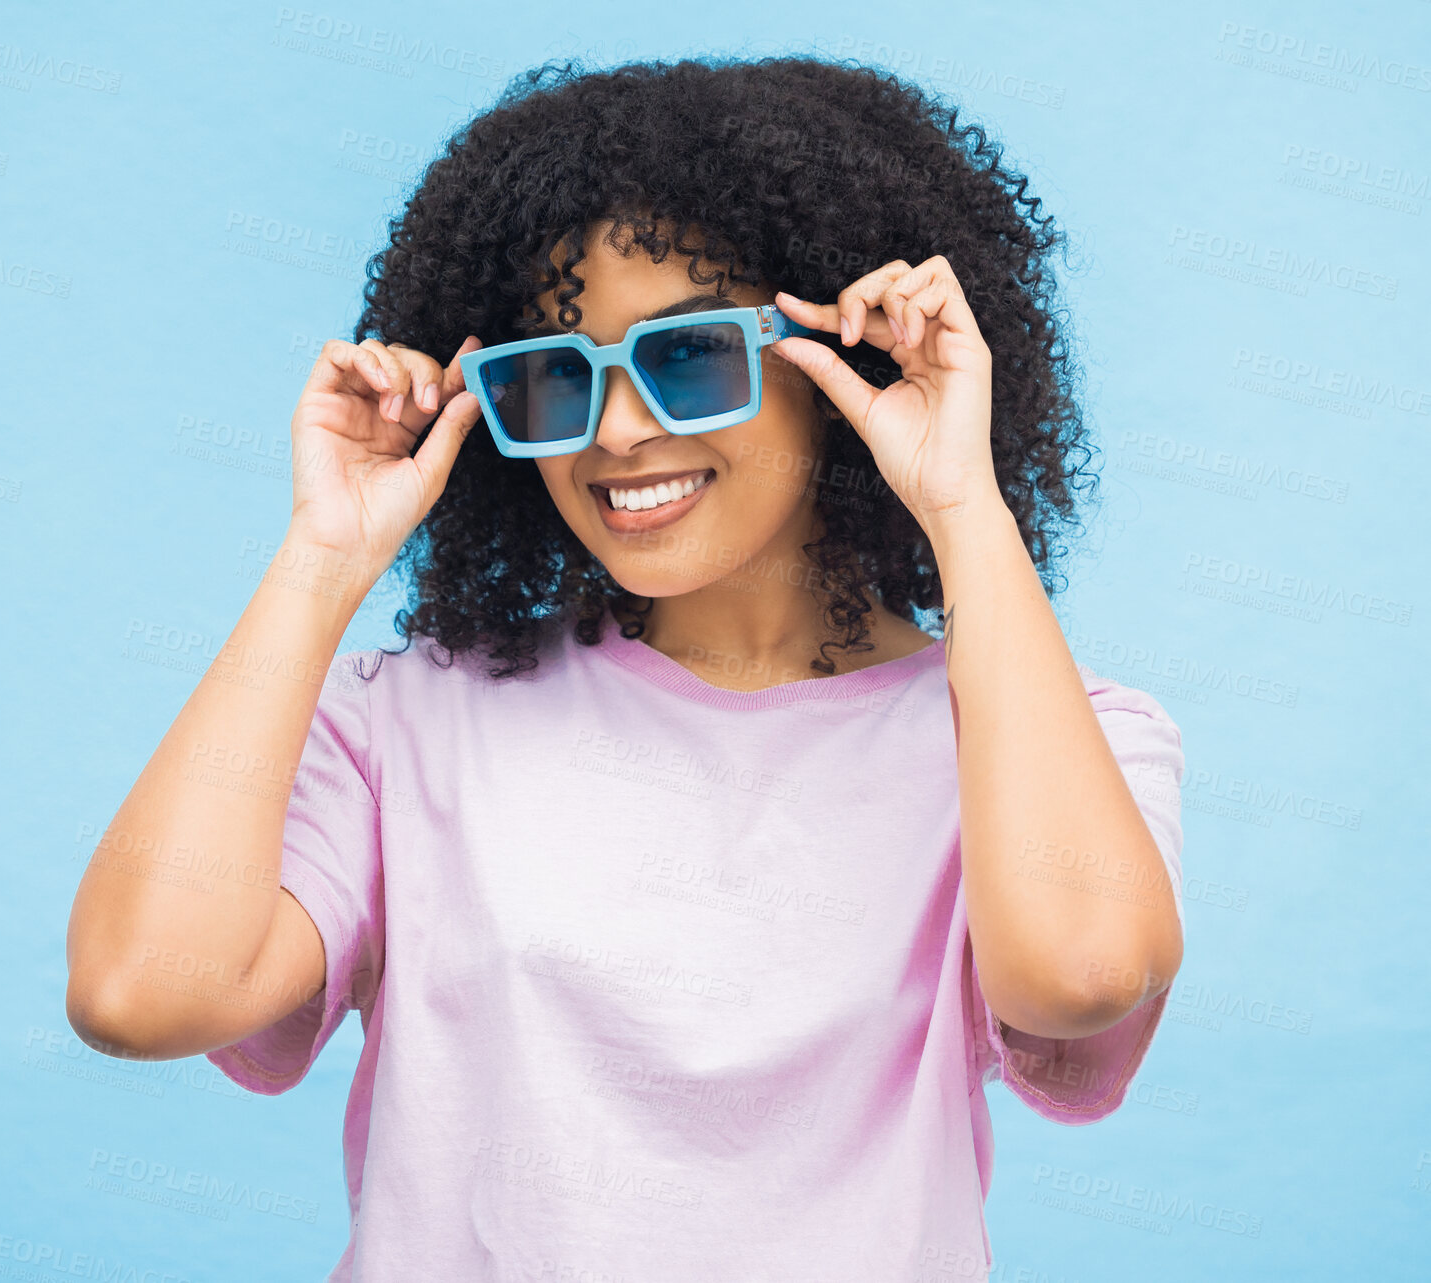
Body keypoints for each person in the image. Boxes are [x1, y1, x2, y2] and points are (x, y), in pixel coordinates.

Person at [65, 55, 1186, 1283]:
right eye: (555, 374)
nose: (616, 432)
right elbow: (135, 990)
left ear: (838, 362)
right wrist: (322, 559)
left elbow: (1081, 974)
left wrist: (961, 500)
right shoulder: (410, 726)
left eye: (690, 358)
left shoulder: (1050, 743)